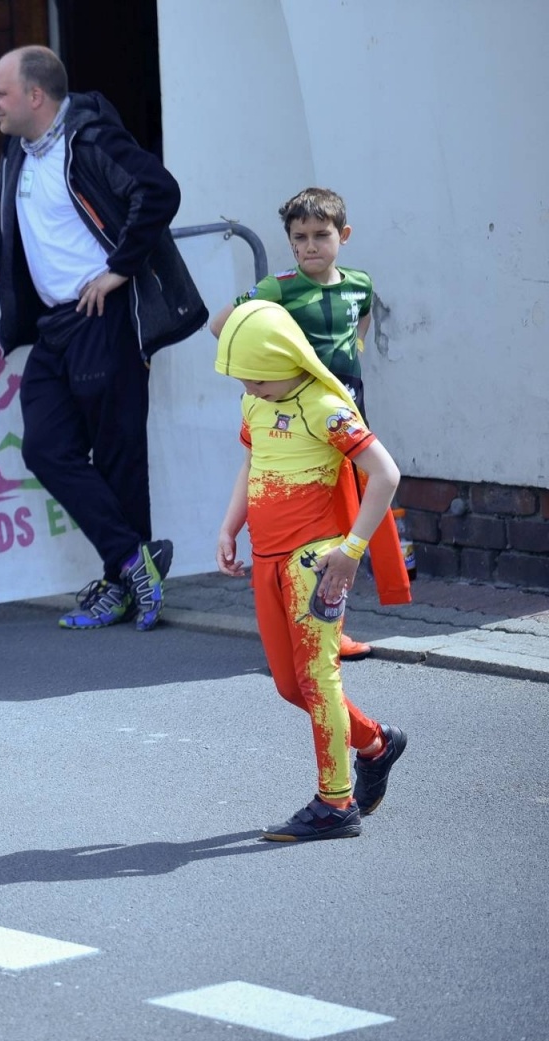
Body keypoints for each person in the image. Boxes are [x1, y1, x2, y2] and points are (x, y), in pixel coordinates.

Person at [0, 46, 206, 630]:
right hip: (54, 325)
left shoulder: (91, 139)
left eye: (0, 93)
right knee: (46, 448)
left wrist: (119, 267)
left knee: (119, 453)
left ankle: (124, 583)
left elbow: (159, 191)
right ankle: (133, 563)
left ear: (35, 96)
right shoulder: (17, 150)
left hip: (103, 315)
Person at [213, 301, 409, 842]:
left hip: (313, 561)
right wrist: (230, 526)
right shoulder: (256, 405)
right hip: (266, 556)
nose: (250, 389)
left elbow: (385, 474)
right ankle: (376, 744)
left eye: (257, 378)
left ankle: (335, 803)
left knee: (317, 678)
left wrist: (350, 550)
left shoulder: (325, 405)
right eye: (244, 379)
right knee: (288, 684)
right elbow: (253, 464)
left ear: (282, 360)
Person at [210, 187, 378, 662]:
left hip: (344, 411)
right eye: (299, 237)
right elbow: (222, 324)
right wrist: (269, 367)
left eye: (321, 235)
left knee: (344, 523)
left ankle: (329, 628)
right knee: (301, 526)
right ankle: (294, 637)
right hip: (293, 417)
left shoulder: (360, 283)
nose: (310, 246)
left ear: (343, 236)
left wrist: (355, 353)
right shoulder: (277, 288)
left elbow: (361, 320)